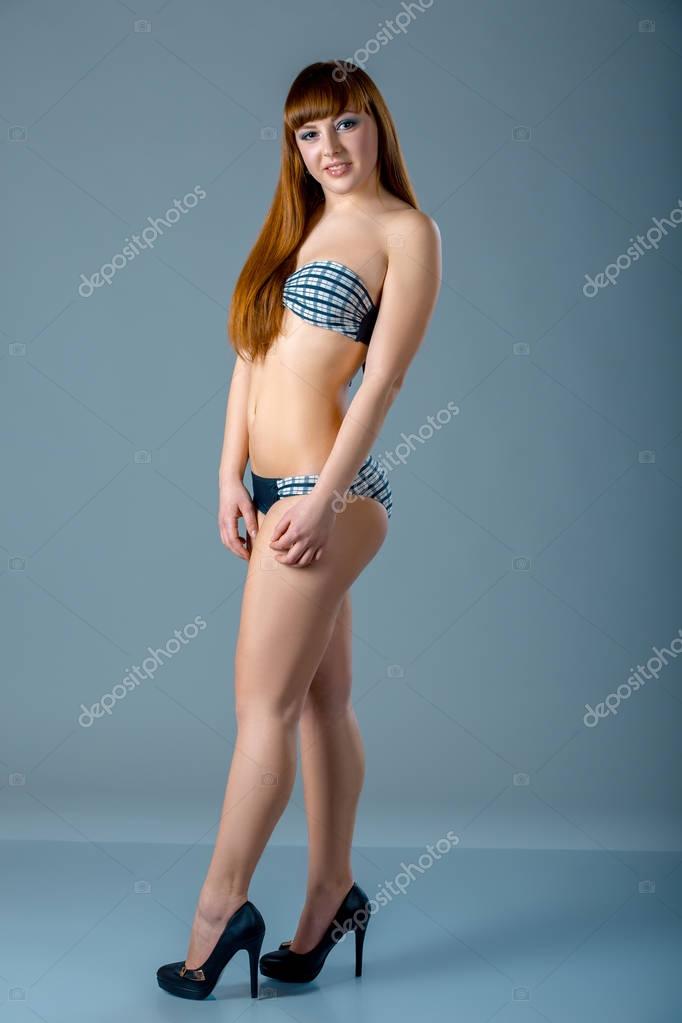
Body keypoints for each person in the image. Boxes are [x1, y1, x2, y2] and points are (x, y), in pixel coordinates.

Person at [157, 58, 441, 1001]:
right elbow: (252, 357)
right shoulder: (298, 225)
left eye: (345, 124)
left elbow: (383, 381)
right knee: (320, 703)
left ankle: (218, 913)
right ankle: (332, 894)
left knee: (261, 709)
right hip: (273, 487)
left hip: (330, 491)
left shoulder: (405, 232)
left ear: (377, 125)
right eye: (308, 133)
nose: (328, 148)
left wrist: (319, 500)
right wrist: (227, 476)